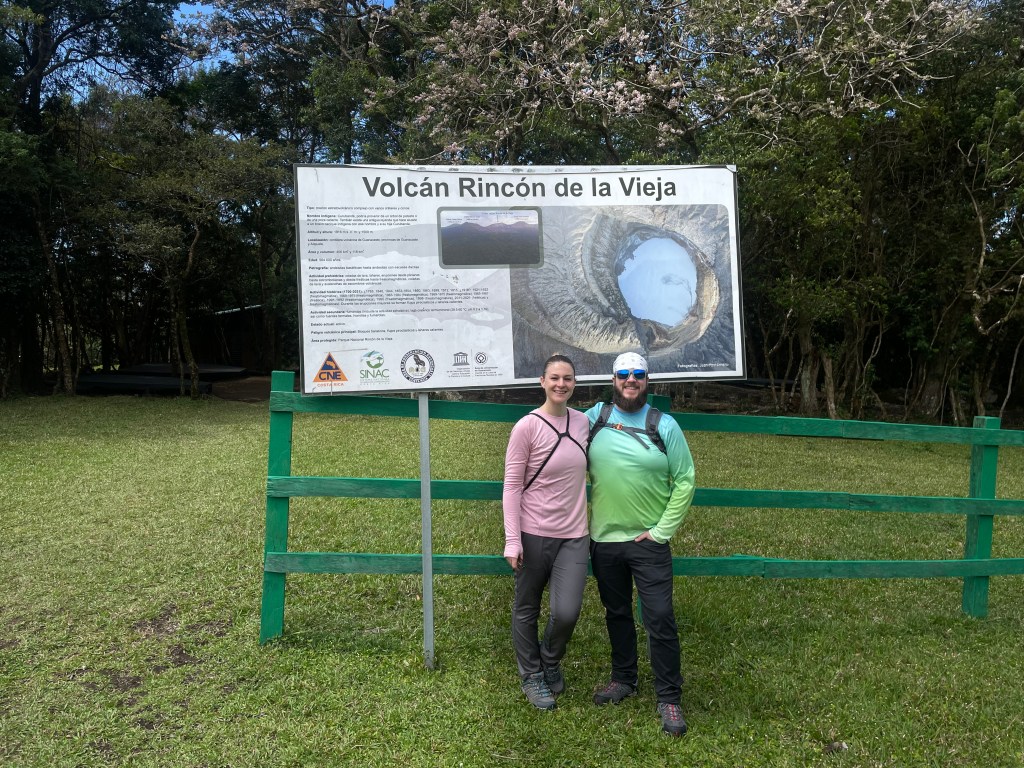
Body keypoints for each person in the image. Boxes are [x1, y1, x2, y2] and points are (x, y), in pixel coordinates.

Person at [585, 351, 696, 736]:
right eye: (623, 374)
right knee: (616, 612)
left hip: (649, 541)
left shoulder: (664, 425)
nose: (630, 379)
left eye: (638, 374)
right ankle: (623, 679)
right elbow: (558, 439)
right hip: (604, 539)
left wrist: (662, 531)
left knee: (659, 617)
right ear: (613, 379)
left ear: (647, 381)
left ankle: (669, 697)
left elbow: (685, 479)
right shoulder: (594, 419)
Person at [502, 354, 590, 710]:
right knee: (527, 607)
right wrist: (513, 539)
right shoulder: (526, 427)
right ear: (542, 382)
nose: (561, 384)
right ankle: (532, 675)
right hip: (533, 532)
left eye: (567, 378)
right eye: (554, 378)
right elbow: (512, 486)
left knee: (567, 612)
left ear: (574, 384)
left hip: (575, 534)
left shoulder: (583, 422)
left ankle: (550, 659)